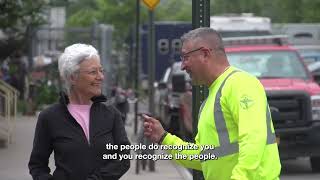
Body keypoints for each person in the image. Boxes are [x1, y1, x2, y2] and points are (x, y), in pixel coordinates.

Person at [143, 27, 281, 180]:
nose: (182, 66)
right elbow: (205, 157)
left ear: (205, 54)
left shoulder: (240, 84)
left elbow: (253, 139)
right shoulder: (211, 99)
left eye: (185, 57)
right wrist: (164, 138)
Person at [28, 44, 130, 180]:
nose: (101, 77)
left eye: (101, 71)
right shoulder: (49, 117)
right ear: (72, 78)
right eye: (93, 72)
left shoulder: (111, 115)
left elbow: (124, 157)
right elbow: (37, 165)